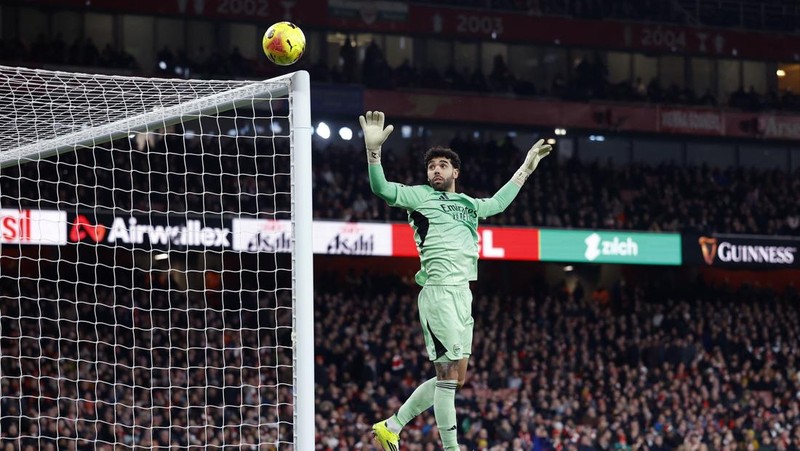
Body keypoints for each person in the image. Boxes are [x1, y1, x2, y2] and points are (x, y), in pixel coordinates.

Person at [359, 111, 552, 450]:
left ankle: (392, 425)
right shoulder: (419, 197)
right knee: (447, 378)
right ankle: (451, 448)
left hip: (463, 295)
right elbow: (382, 188)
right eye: (432, 166)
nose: (436, 170)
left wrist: (525, 168)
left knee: (456, 378)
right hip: (439, 293)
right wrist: (373, 153)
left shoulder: (467, 203)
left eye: (442, 165)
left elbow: (497, 203)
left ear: (455, 172)